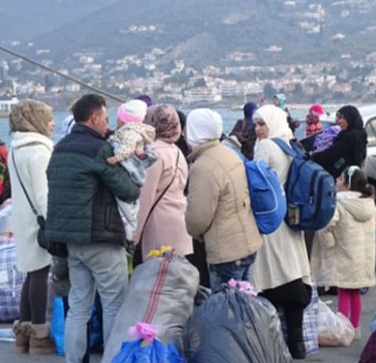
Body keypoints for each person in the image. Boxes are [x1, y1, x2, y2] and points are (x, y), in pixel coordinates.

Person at [46, 94, 140, 363]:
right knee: (114, 303)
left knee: (78, 308)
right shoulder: (98, 149)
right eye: (106, 118)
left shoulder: (59, 148)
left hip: (70, 242)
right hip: (99, 237)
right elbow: (127, 189)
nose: (108, 124)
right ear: (95, 118)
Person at [250, 105, 313, 359]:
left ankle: (272, 348)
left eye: (261, 124)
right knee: (293, 278)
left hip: (270, 222)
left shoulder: (265, 147)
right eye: (255, 124)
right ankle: (297, 342)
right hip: (292, 221)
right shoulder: (289, 143)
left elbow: (256, 183)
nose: (257, 130)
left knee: (269, 280)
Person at [184, 108, 262, 292]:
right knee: (243, 306)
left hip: (226, 250)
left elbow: (197, 220)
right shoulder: (228, 153)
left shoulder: (203, 167)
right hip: (247, 241)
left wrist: (193, 231)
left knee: (227, 313)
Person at [311, 166, 376, 337]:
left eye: (340, 179)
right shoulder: (368, 202)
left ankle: (344, 330)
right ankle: (355, 327)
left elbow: (327, 225)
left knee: (344, 290)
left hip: (344, 253)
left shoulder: (339, 203)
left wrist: (329, 242)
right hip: (363, 256)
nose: (337, 181)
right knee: (355, 291)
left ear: (347, 185)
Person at [8, 100, 56, 355]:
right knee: (39, 273)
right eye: (48, 118)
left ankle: (23, 333)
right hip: (38, 219)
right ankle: (39, 334)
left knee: (30, 273)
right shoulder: (39, 152)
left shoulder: (17, 149)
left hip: (23, 218)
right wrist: (53, 222)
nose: (53, 123)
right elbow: (43, 194)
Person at [132, 104, 192, 261]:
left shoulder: (152, 153)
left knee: (159, 276)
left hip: (159, 224)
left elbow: (145, 197)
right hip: (180, 219)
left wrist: (134, 236)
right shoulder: (176, 150)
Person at [106, 100, 156, 240]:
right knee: (133, 205)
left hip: (128, 169)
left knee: (125, 207)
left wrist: (115, 158)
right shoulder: (139, 132)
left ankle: (129, 228)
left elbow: (126, 150)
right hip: (137, 172)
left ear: (123, 120)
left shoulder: (128, 133)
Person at [312, 105, 368, 178]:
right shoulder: (360, 133)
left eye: (341, 118)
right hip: (353, 174)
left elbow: (332, 153)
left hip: (344, 176)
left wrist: (313, 157)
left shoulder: (349, 136)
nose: (337, 120)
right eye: (337, 117)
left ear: (350, 118)